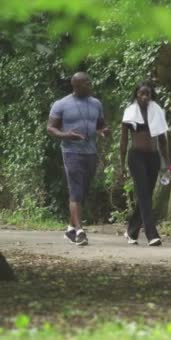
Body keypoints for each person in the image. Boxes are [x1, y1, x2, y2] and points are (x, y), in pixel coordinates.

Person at [47, 72, 110, 246]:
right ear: (76, 85)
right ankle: (80, 232)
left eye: (90, 83)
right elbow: (51, 128)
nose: (91, 86)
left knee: (82, 192)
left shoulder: (96, 103)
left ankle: (70, 229)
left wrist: (104, 131)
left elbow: (100, 124)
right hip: (71, 152)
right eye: (87, 84)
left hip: (90, 152)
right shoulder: (62, 104)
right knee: (75, 190)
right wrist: (66, 135)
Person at [120, 81, 171, 246]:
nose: (144, 97)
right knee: (142, 193)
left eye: (147, 94)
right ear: (136, 94)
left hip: (153, 157)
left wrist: (168, 164)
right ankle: (151, 234)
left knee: (146, 195)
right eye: (141, 93)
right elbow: (123, 140)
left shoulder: (157, 112)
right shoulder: (130, 113)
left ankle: (131, 231)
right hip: (136, 157)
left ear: (151, 95)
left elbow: (162, 141)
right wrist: (121, 165)